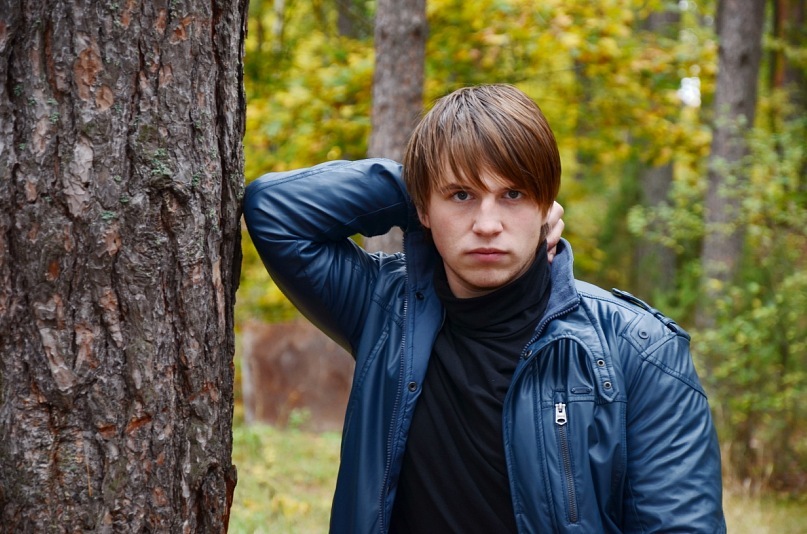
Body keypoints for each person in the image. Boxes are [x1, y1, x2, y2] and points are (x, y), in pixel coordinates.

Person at [243, 84, 726, 533]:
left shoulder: (640, 350)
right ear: (423, 209)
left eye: (513, 194)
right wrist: (421, 181)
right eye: (461, 195)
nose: (487, 223)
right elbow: (276, 211)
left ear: (546, 206)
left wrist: (450, 187)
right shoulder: (383, 308)